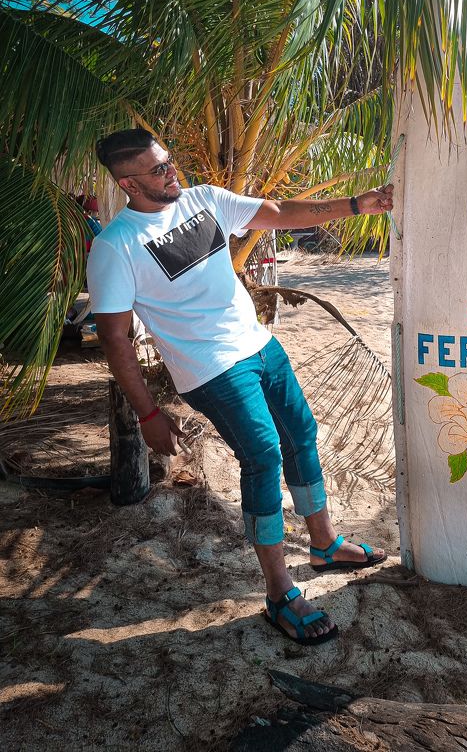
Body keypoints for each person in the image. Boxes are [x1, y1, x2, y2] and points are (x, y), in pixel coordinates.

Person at [87, 128, 394, 646]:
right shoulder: (116, 246)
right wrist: (147, 415)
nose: (172, 174)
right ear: (127, 183)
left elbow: (275, 213)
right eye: (159, 170)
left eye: (170, 162)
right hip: (209, 369)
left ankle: (322, 544)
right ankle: (279, 591)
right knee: (264, 456)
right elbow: (115, 339)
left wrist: (356, 205)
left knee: (302, 432)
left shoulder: (204, 200)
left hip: (258, 345)